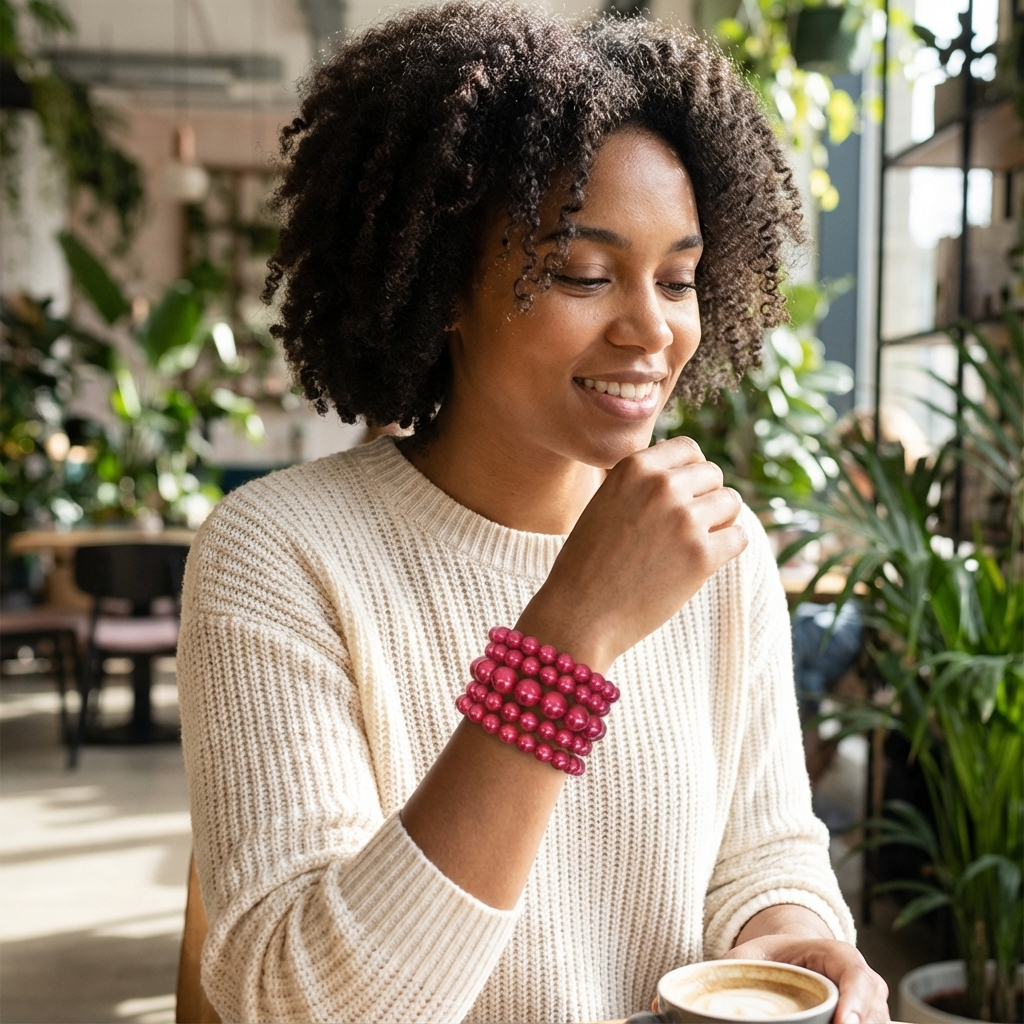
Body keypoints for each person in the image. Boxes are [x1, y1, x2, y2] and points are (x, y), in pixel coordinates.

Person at [177, 5, 890, 1022]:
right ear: (444, 282)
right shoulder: (281, 554)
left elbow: (761, 854)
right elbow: (300, 1000)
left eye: (679, 278)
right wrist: (570, 635)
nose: (650, 327)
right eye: (583, 273)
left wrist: (787, 937)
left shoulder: (716, 553)